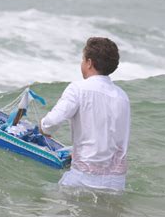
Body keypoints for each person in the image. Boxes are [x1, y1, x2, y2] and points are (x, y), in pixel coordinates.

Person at [40, 37, 130, 192]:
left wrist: (44, 129)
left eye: (83, 59)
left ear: (89, 63)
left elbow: (52, 122)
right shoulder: (122, 96)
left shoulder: (78, 89)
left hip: (84, 179)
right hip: (116, 182)